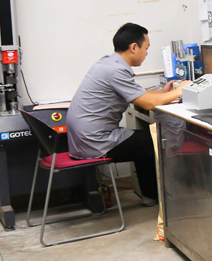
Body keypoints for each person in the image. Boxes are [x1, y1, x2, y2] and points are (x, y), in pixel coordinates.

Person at [66, 23, 190, 206]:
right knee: (156, 142)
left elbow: (138, 95)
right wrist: (180, 91)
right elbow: (147, 103)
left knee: (145, 142)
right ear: (133, 47)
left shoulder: (107, 63)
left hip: (83, 139)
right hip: (95, 141)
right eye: (146, 48)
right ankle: (169, 196)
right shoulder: (115, 71)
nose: (146, 53)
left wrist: (163, 92)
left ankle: (150, 196)